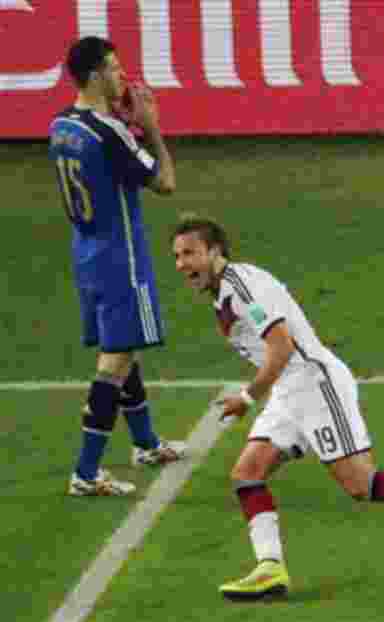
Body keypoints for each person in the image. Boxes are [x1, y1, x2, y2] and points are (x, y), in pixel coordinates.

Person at [170, 214, 384, 601]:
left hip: (316, 385)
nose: (181, 264)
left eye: (190, 253)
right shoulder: (224, 291)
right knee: (248, 473)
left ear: (215, 251)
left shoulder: (242, 287)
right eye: (177, 256)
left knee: (361, 484)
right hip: (289, 390)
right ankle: (270, 569)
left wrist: (246, 398)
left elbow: (282, 347)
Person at [49, 36, 186, 497]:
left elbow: (107, 167)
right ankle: (86, 473)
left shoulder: (61, 126)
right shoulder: (110, 134)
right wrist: (151, 128)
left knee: (123, 346)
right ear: (93, 76)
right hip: (120, 256)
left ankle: (145, 444)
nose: (121, 74)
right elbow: (165, 182)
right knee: (116, 359)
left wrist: (127, 126)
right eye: (113, 67)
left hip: (86, 252)